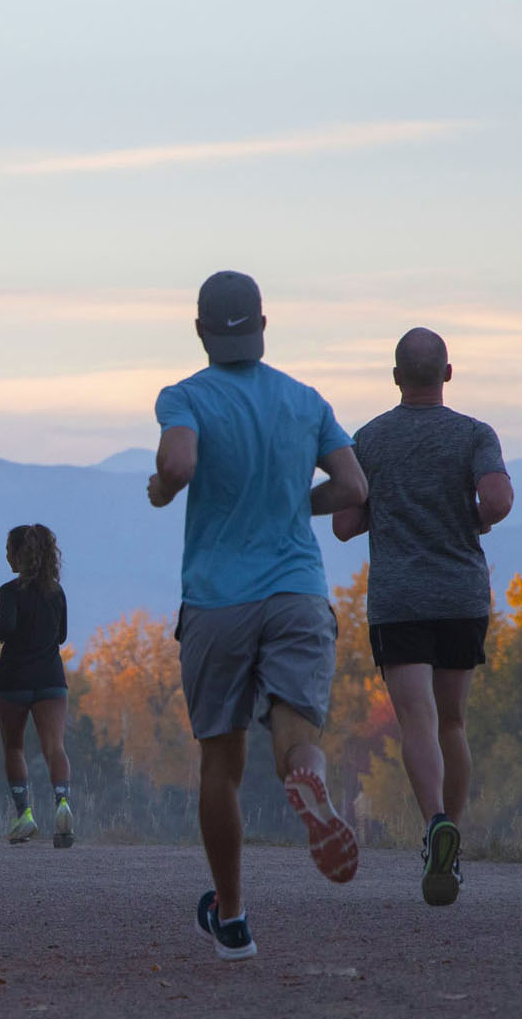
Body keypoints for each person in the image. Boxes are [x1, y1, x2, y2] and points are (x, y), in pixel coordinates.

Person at [148, 271, 368, 962]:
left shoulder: (187, 395)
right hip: (298, 592)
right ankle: (313, 785)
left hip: (219, 601)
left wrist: (161, 487)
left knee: (221, 762)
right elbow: (356, 486)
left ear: (200, 331)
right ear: (264, 325)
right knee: (296, 737)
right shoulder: (305, 400)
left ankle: (234, 917)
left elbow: (179, 463)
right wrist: (294, 505)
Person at [330, 328, 512, 907]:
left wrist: (388, 507)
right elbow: (499, 500)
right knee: (453, 722)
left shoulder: (371, 439)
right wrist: (472, 520)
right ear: (448, 374)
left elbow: (343, 522)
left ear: (395, 377)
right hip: (460, 597)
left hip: (400, 598)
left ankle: (435, 822)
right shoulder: (474, 434)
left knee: (417, 722)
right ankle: (450, 842)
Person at [0, 524, 73, 848]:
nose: (6, 556)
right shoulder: (57, 591)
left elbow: (7, 626)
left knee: (14, 746)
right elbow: (62, 636)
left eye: (8, 550)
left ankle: (24, 814)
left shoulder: (9, 591)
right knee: (55, 747)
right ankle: (63, 805)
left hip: (14, 680)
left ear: (17, 554)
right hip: (51, 679)